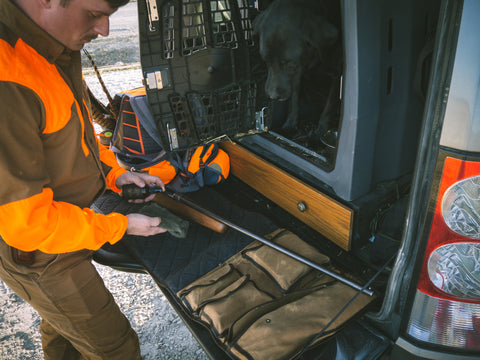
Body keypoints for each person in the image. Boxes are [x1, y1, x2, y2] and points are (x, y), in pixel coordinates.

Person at [0, 0, 168, 358]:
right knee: (115, 347)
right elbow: (29, 227)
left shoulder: (53, 44)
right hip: (40, 254)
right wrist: (119, 225)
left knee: (62, 325)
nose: (105, 29)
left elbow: (75, 138)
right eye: (95, 14)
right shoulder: (8, 76)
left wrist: (115, 174)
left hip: (67, 225)